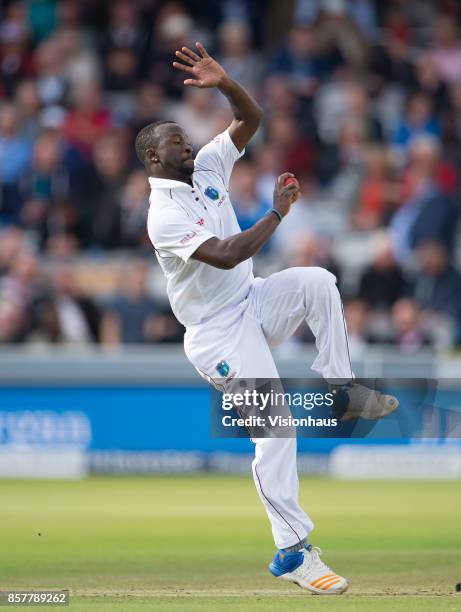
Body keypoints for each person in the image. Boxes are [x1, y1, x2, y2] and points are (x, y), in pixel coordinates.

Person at [136, 42, 397, 596]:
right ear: (154, 158)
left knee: (318, 282)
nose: (188, 144)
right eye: (175, 142)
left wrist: (226, 81)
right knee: (274, 428)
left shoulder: (205, 165)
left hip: (250, 301)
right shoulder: (163, 213)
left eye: (185, 137)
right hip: (217, 334)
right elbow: (228, 253)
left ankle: (343, 388)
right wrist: (277, 212)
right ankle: (293, 552)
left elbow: (250, 118)